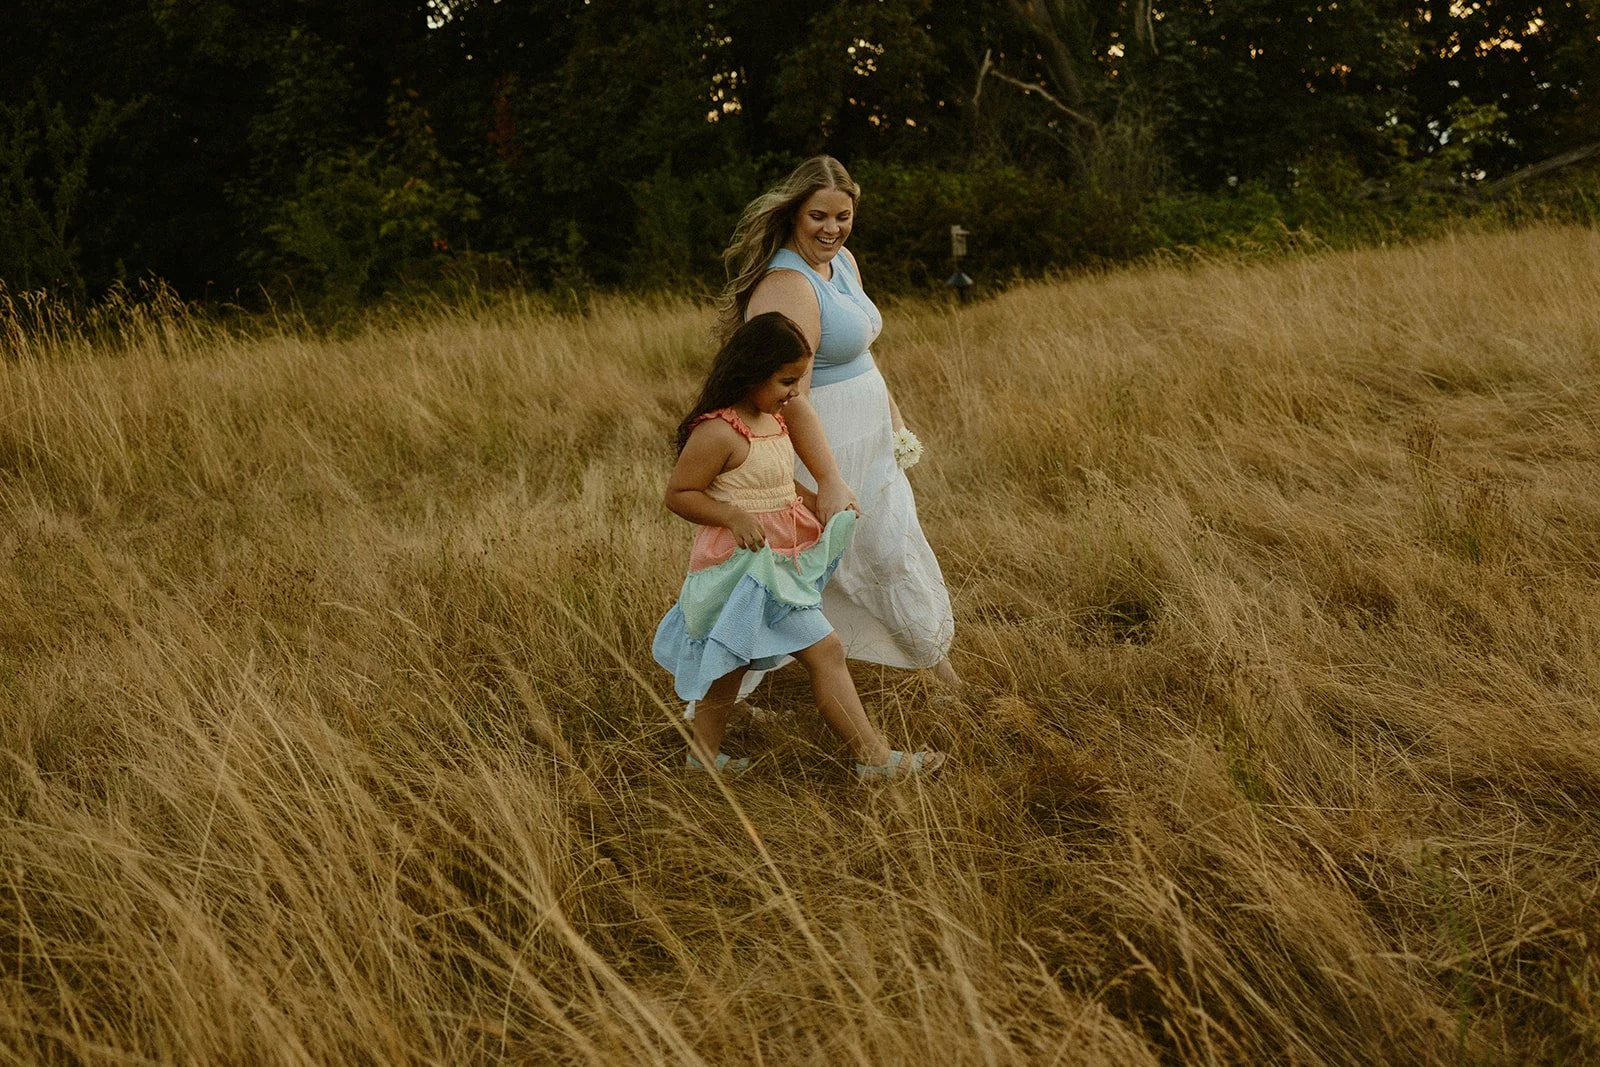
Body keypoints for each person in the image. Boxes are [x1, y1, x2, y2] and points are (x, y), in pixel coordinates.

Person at [653, 312, 944, 779]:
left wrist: (821, 504)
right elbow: (679, 494)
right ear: (751, 374)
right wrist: (731, 515)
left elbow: (776, 484)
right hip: (740, 571)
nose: (794, 393)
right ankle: (872, 759)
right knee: (821, 651)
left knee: (733, 664)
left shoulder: (773, 420)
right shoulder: (718, 432)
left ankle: (702, 762)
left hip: (779, 567)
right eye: (786, 381)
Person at [714, 156, 960, 697]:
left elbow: (864, 353)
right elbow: (789, 395)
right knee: (795, 573)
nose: (831, 229)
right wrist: (827, 480)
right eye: (818, 217)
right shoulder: (787, 284)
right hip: (825, 445)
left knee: (889, 549)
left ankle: (938, 672)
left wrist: (895, 423)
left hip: (868, 439)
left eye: (842, 217)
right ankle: (716, 699)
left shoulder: (843, 262)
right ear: (794, 214)